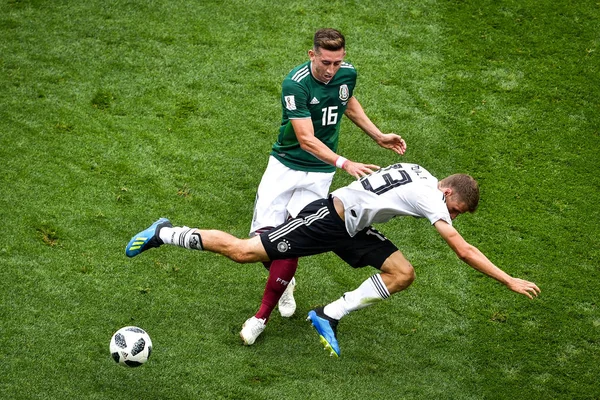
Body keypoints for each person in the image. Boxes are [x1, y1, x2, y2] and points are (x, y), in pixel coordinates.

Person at [126, 162, 541, 357]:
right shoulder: (431, 197)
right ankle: (164, 232)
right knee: (243, 251)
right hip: (327, 221)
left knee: (402, 273)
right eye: (456, 211)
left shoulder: (421, 173)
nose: (451, 217)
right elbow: (463, 250)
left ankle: (328, 314)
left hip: (353, 227)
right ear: (448, 194)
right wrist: (507, 280)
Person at [246, 28, 406, 345]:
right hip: (285, 166)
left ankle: (260, 317)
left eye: (337, 62)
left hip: (319, 174)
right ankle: (285, 281)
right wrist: (345, 163)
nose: (331, 70)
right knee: (260, 241)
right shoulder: (296, 83)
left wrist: (377, 135)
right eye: (325, 63)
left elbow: (347, 102)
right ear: (312, 55)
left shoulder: (347, 75)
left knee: (290, 239)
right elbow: (305, 139)